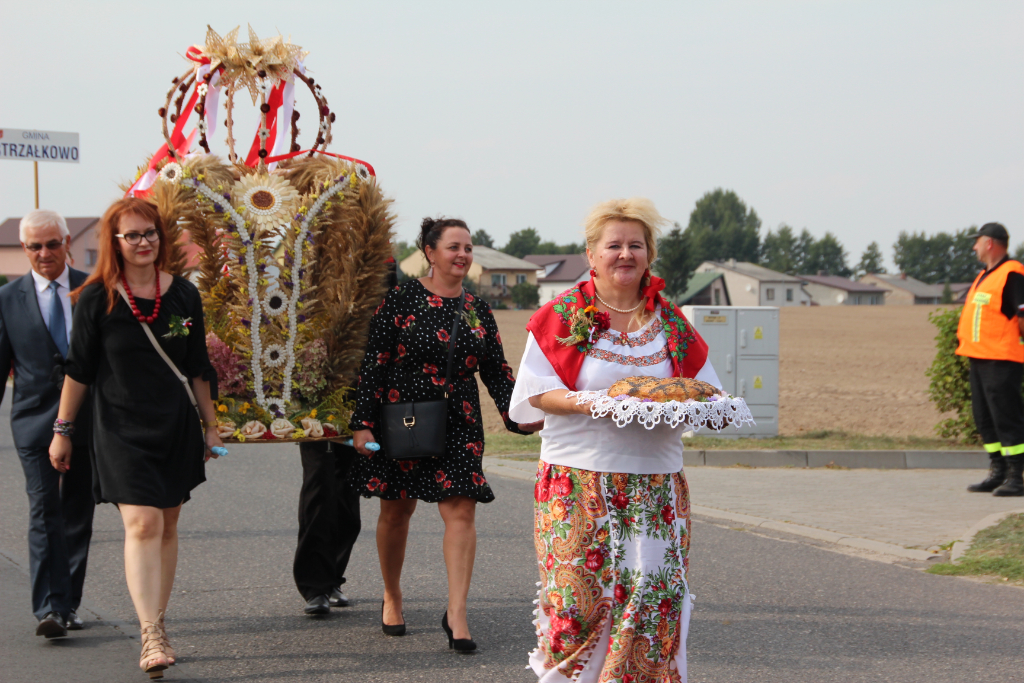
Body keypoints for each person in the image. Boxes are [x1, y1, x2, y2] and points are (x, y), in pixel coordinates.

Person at [509, 198, 720, 682]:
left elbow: (704, 390)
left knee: (653, 603)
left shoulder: (671, 323)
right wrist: (596, 402)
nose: (625, 254)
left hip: (656, 487)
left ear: (650, 254)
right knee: (577, 608)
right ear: (591, 254)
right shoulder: (564, 316)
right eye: (614, 245)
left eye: (636, 245)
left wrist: (708, 411)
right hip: (577, 482)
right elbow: (537, 394)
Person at [350, 217, 543, 652]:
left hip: (459, 421)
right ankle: (392, 595)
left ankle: (456, 612)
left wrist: (520, 417)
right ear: (430, 252)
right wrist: (362, 423)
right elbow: (374, 363)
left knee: (461, 513)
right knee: (396, 513)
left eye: (468, 248)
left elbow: (497, 371)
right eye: (454, 246)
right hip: (403, 418)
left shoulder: (477, 309)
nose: (462, 254)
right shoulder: (399, 300)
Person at [48, 197, 223, 677]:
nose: (144, 242)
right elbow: (78, 371)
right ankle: (150, 633)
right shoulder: (95, 298)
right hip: (120, 428)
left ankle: (158, 621)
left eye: (150, 233)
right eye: (133, 235)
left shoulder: (184, 295)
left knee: (167, 524)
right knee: (142, 523)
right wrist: (62, 431)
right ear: (115, 242)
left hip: (175, 424)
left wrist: (211, 425)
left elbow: (196, 368)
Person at [0, 210, 95, 639]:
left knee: (77, 510)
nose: (44, 253)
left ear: (67, 241)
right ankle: (49, 608)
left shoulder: (94, 289)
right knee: (44, 510)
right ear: (24, 249)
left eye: (51, 244)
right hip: (34, 421)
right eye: (34, 246)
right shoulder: (7, 299)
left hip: (88, 420)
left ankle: (69, 602)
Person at [295, 260, 399, 617]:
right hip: (320, 395)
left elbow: (391, 314)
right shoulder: (316, 256)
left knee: (348, 495)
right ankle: (314, 586)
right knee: (319, 489)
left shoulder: (379, 253)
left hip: (365, 399)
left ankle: (334, 575)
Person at [957, 222, 1024, 496]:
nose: (974, 247)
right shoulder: (985, 275)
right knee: (984, 418)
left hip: (1002, 359)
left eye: (977, 241)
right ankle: (998, 472)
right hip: (980, 358)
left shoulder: (1012, 273)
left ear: (990, 243)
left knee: (1006, 417)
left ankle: (1017, 477)